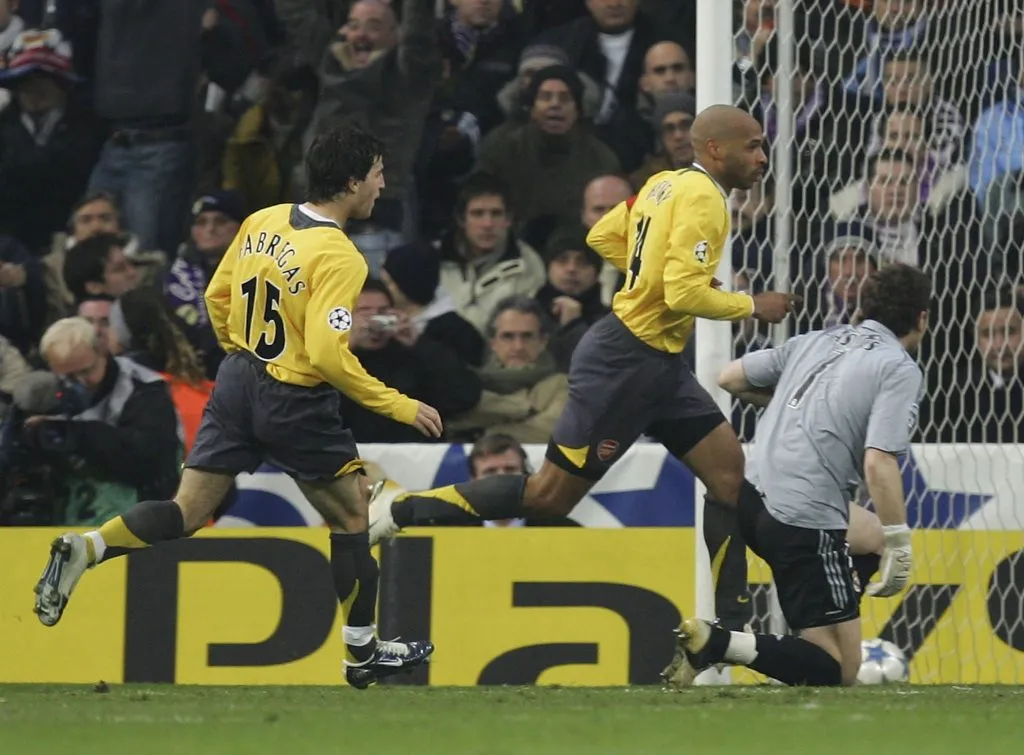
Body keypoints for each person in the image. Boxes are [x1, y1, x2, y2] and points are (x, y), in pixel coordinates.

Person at [33, 125, 440, 690]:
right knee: (351, 518)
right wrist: (395, 404)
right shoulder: (340, 256)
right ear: (350, 182)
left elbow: (216, 296)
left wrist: (237, 351)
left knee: (186, 511)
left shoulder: (264, 220)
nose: (382, 183)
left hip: (238, 379)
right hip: (294, 396)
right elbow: (326, 353)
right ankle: (361, 654)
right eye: (376, 173)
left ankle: (89, 545)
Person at [368, 106, 798, 614]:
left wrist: (651, 276)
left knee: (727, 473)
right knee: (550, 497)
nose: (762, 156)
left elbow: (603, 235)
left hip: (658, 364)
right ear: (714, 150)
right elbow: (684, 296)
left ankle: (728, 628)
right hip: (624, 363)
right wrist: (753, 306)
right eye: (751, 146)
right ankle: (401, 507)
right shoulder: (705, 199)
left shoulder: (664, 184)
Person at [664, 263, 930, 688]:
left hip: (749, 497)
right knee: (839, 670)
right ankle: (722, 643)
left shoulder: (816, 340)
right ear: (921, 319)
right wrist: (901, 541)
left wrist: (793, 401)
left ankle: (812, 630)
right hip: (801, 519)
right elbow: (879, 462)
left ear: (865, 307)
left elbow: (729, 377)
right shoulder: (898, 367)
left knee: (869, 537)